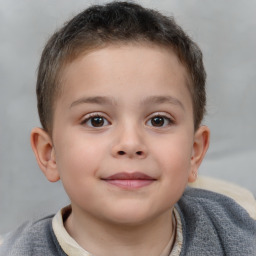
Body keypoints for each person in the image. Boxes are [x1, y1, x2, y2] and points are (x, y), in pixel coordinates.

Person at [1, 1, 255, 255]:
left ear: (194, 152)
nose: (130, 144)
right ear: (49, 154)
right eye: (96, 120)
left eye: (158, 120)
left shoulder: (240, 234)